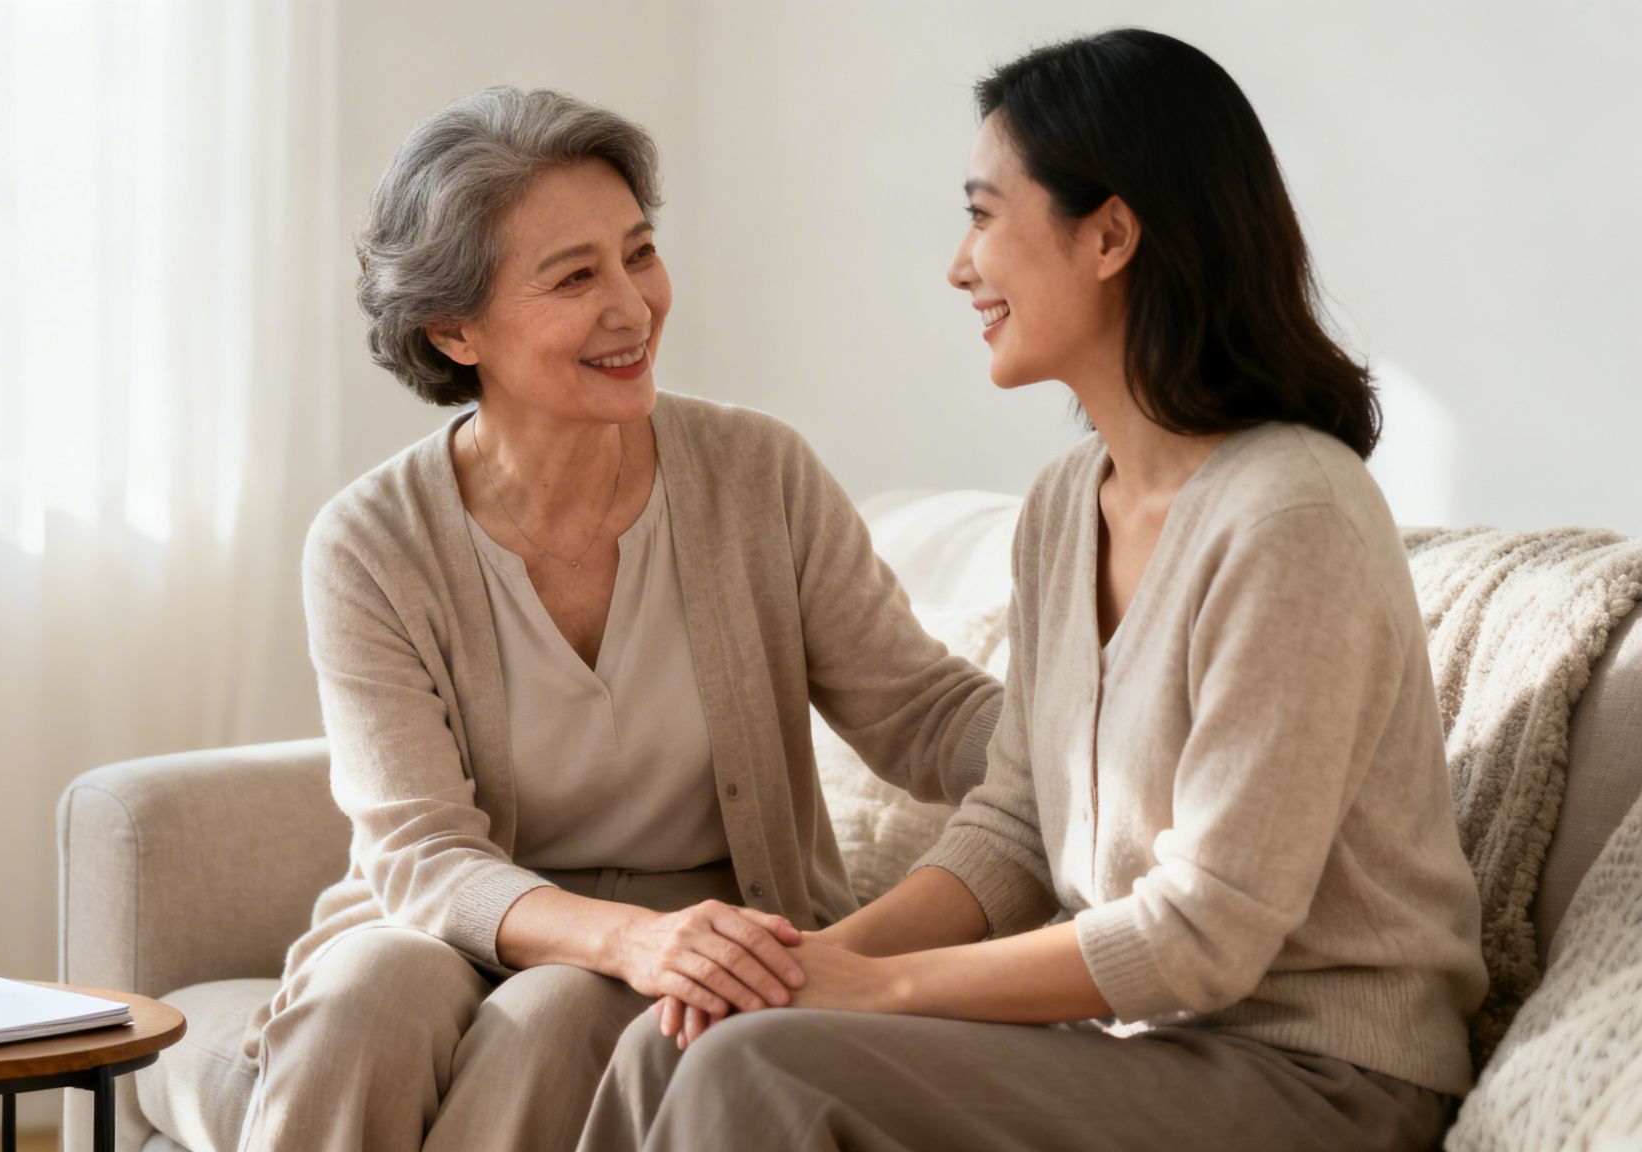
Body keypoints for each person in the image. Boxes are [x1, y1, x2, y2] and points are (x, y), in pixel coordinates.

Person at [579, 29, 1487, 1152]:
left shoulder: (1290, 516)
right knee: (672, 1040)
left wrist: (871, 992)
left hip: (1322, 1080)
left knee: (753, 1069)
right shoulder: (1064, 507)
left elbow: (1203, 935)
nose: (958, 268)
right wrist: (810, 962)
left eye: (979, 215)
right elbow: (1013, 830)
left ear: (1108, 233)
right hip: (1149, 1055)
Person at [235, 87, 1003, 1152]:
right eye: (574, 277)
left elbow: (918, 711)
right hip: (455, 912)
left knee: (551, 1017)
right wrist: (627, 939)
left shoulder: (756, 473)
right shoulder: (369, 540)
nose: (632, 307)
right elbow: (418, 855)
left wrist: (1094, 742)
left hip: (716, 925)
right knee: (361, 998)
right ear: (453, 328)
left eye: (637, 254)